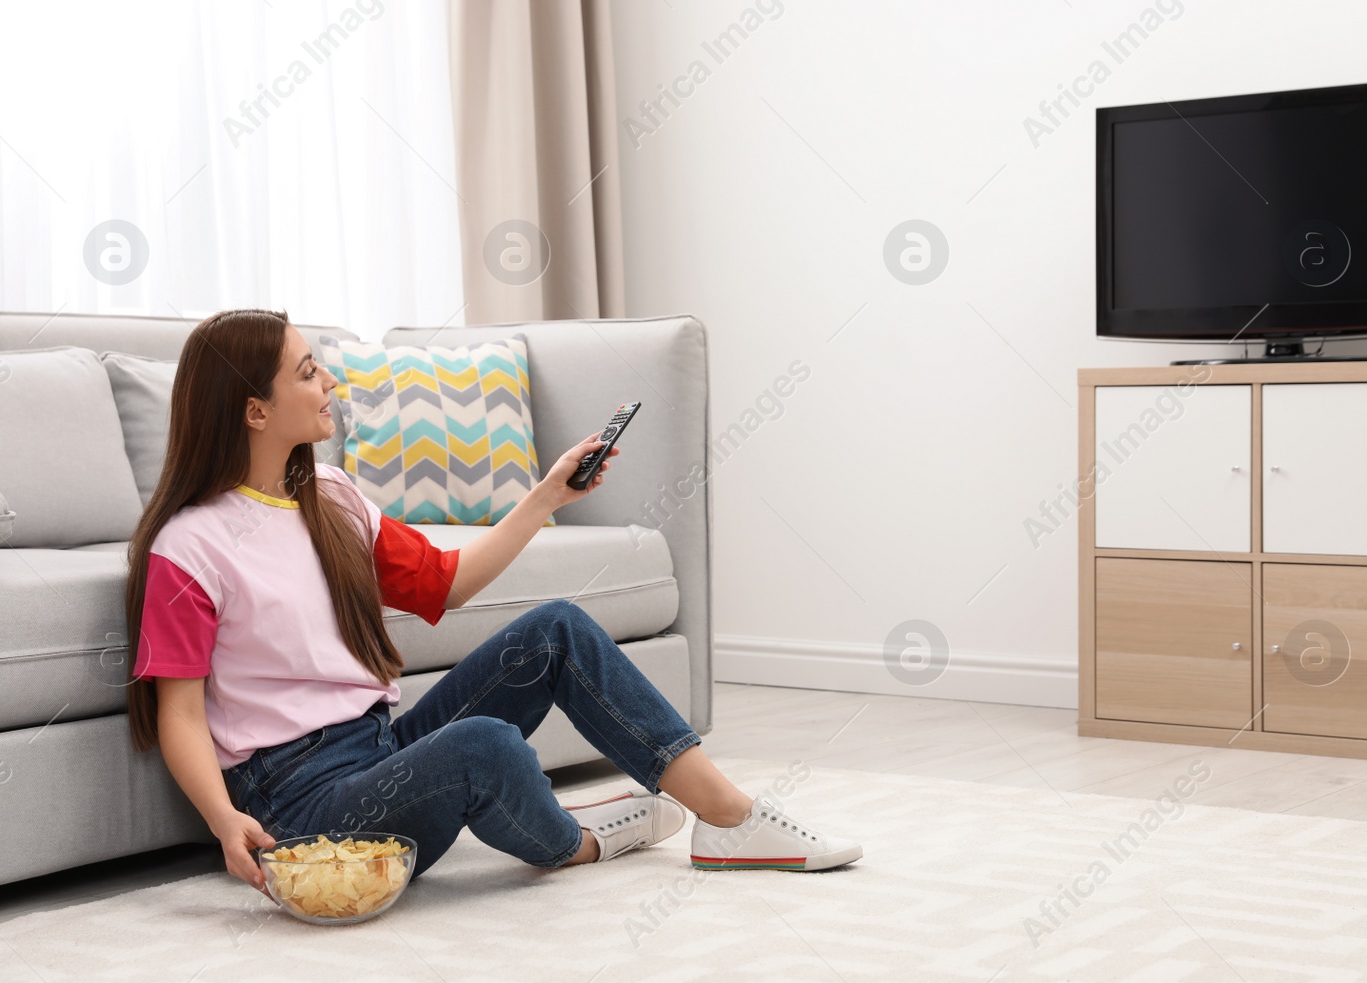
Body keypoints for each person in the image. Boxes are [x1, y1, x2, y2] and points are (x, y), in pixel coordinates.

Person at [123, 308, 860, 896]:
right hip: (303, 804)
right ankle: (582, 840)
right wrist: (225, 820)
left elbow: (446, 581)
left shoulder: (336, 497)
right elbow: (180, 712)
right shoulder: (189, 546)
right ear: (255, 410)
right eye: (309, 372)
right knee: (484, 746)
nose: (329, 386)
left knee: (557, 630)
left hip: (381, 747)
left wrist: (548, 494)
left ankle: (728, 818)